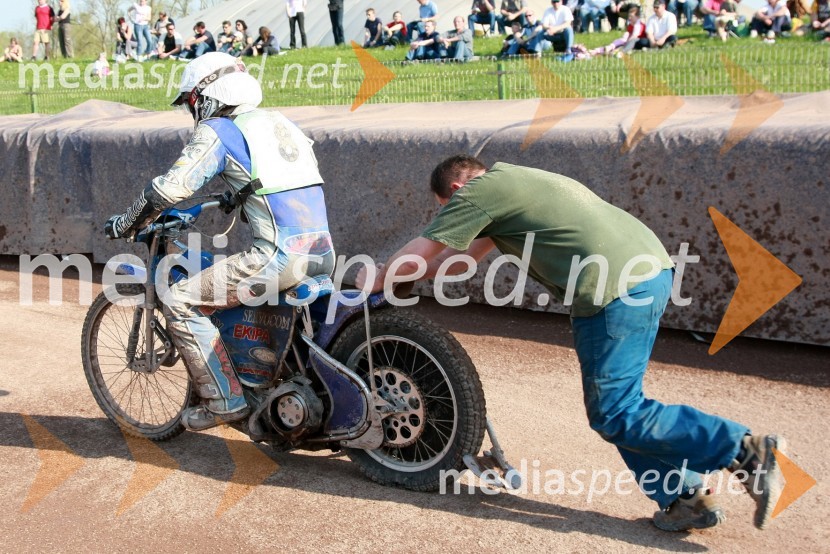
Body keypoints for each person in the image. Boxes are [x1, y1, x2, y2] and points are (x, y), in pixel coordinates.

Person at [355, 155, 787, 533]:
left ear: (455, 188)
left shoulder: (478, 192)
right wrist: (407, 275)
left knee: (615, 412)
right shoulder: (514, 185)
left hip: (613, 288)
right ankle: (685, 497)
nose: (453, 219)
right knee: (621, 405)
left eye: (446, 210)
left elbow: (426, 247)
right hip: (648, 271)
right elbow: (459, 261)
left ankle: (744, 449)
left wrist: (378, 274)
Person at [105, 52, 336, 431]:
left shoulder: (220, 129)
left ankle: (223, 403)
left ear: (205, 96)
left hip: (278, 257)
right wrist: (237, 195)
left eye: (191, 102)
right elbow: (276, 178)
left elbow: (170, 188)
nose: (192, 111)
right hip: (321, 251)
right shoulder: (278, 123)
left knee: (180, 299)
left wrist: (128, 221)